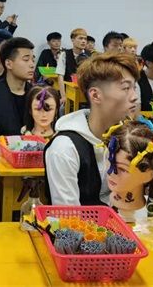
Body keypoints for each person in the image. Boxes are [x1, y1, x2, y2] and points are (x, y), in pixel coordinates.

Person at [44, 53, 140, 206]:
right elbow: (68, 215)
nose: (135, 96)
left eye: (134, 88)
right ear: (95, 95)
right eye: (125, 88)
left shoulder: (127, 137)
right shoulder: (65, 148)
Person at [0, 37, 35, 138]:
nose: (32, 65)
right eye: (26, 60)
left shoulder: (35, 94)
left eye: (33, 60)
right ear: (8, 64)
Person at [56, 28, 91, 107]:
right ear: (72, 40)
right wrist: (63, 96)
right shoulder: (64, 55)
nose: (83, 41)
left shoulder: (90, 55)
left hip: (86, 93)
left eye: (85, 39)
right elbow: (60, 76)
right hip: (69, 92)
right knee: (62, 108)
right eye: (80, 38)